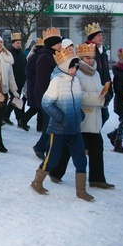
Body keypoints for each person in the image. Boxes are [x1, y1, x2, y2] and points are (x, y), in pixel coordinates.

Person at [30, 44, 94, 202]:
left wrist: (79, 115)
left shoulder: (76, 81)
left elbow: (77, 101)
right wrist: (59, 117)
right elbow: (46, 103)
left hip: (74, 128)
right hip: (58, 129)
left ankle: (81, 190)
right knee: (52, 158)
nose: (75, 70)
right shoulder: (57, 81)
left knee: (81, 158)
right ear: (65, 66)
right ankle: (37, 182)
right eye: (72, 67)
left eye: (76, 67)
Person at [75, 42, 114, 189]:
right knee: (72, 149)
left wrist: (105, 95)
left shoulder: (96, 73)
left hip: (95, 118)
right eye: (87, 58)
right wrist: (99, 98)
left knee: (97, 148)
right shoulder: (77, 74)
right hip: (84, 118)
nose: (90, 60)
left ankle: (97, 179)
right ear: (80, 58)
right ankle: (55, 172)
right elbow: (80, 96)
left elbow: (98, 92)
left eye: (91, 57)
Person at [31, 28, 63, 159]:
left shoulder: (55, 56)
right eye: (58, 43)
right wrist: (48, 97)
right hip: (47, 97)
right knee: (51, 123)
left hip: (55, 96)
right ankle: (42, 147)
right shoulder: (45, 57)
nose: (60, 45)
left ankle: (41, 146)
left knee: (50, 124)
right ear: (51, 44)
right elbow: (42, 80)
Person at [85, 22, 113, 126]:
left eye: (102, 35)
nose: (101, 37)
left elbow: (106, 71)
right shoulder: (88, 50)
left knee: (103, 116)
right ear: (92, 38)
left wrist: (109, 86)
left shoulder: (103, 52)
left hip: (103, 88)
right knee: (100, 116)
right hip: (93, 89)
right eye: (98, 35)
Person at [18, 36, 44, 132]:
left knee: (40, 107)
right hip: (34, 86)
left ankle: (40, 126)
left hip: (38, 85)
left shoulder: (39, 56)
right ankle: (23, 120)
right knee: (36, 106)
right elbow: (28, 72)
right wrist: (35, 82)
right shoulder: (34, 57)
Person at [3, 32, 27, 126]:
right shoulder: (9, 54)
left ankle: (8, 116)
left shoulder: (22, 54)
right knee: (15, 99)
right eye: (17, 43)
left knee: (16, 99)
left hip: (21, 80)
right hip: (13, 80)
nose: (19, 45)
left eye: (20, 43)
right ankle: (17, 118)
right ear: (12, 44)